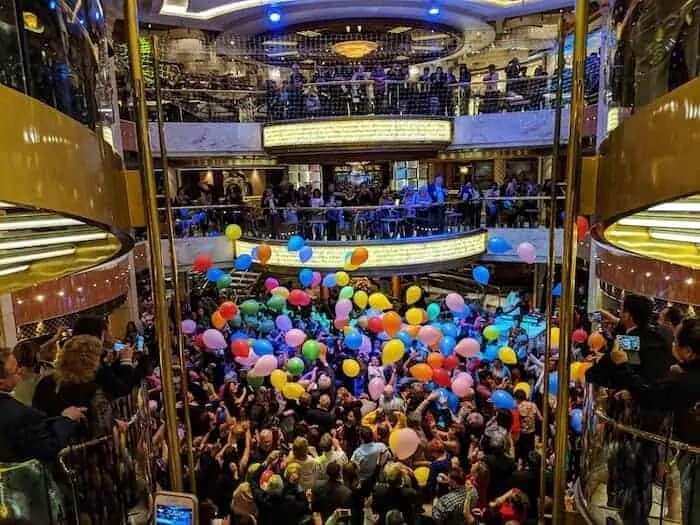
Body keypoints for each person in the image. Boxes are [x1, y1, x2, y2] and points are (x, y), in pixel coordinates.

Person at [588, 318, 700, 525]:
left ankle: (631, 515)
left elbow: (638, 386)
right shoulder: (662, 339)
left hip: (644, 419)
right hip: (661, 422)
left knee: (634, 471)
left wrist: (620, 367)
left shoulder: (631, 339)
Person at [0, 347, 84, 462]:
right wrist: (67, 419)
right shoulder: (23, 415)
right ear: (1, 382)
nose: (19, 371)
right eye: (15, 370)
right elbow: (47, 448)